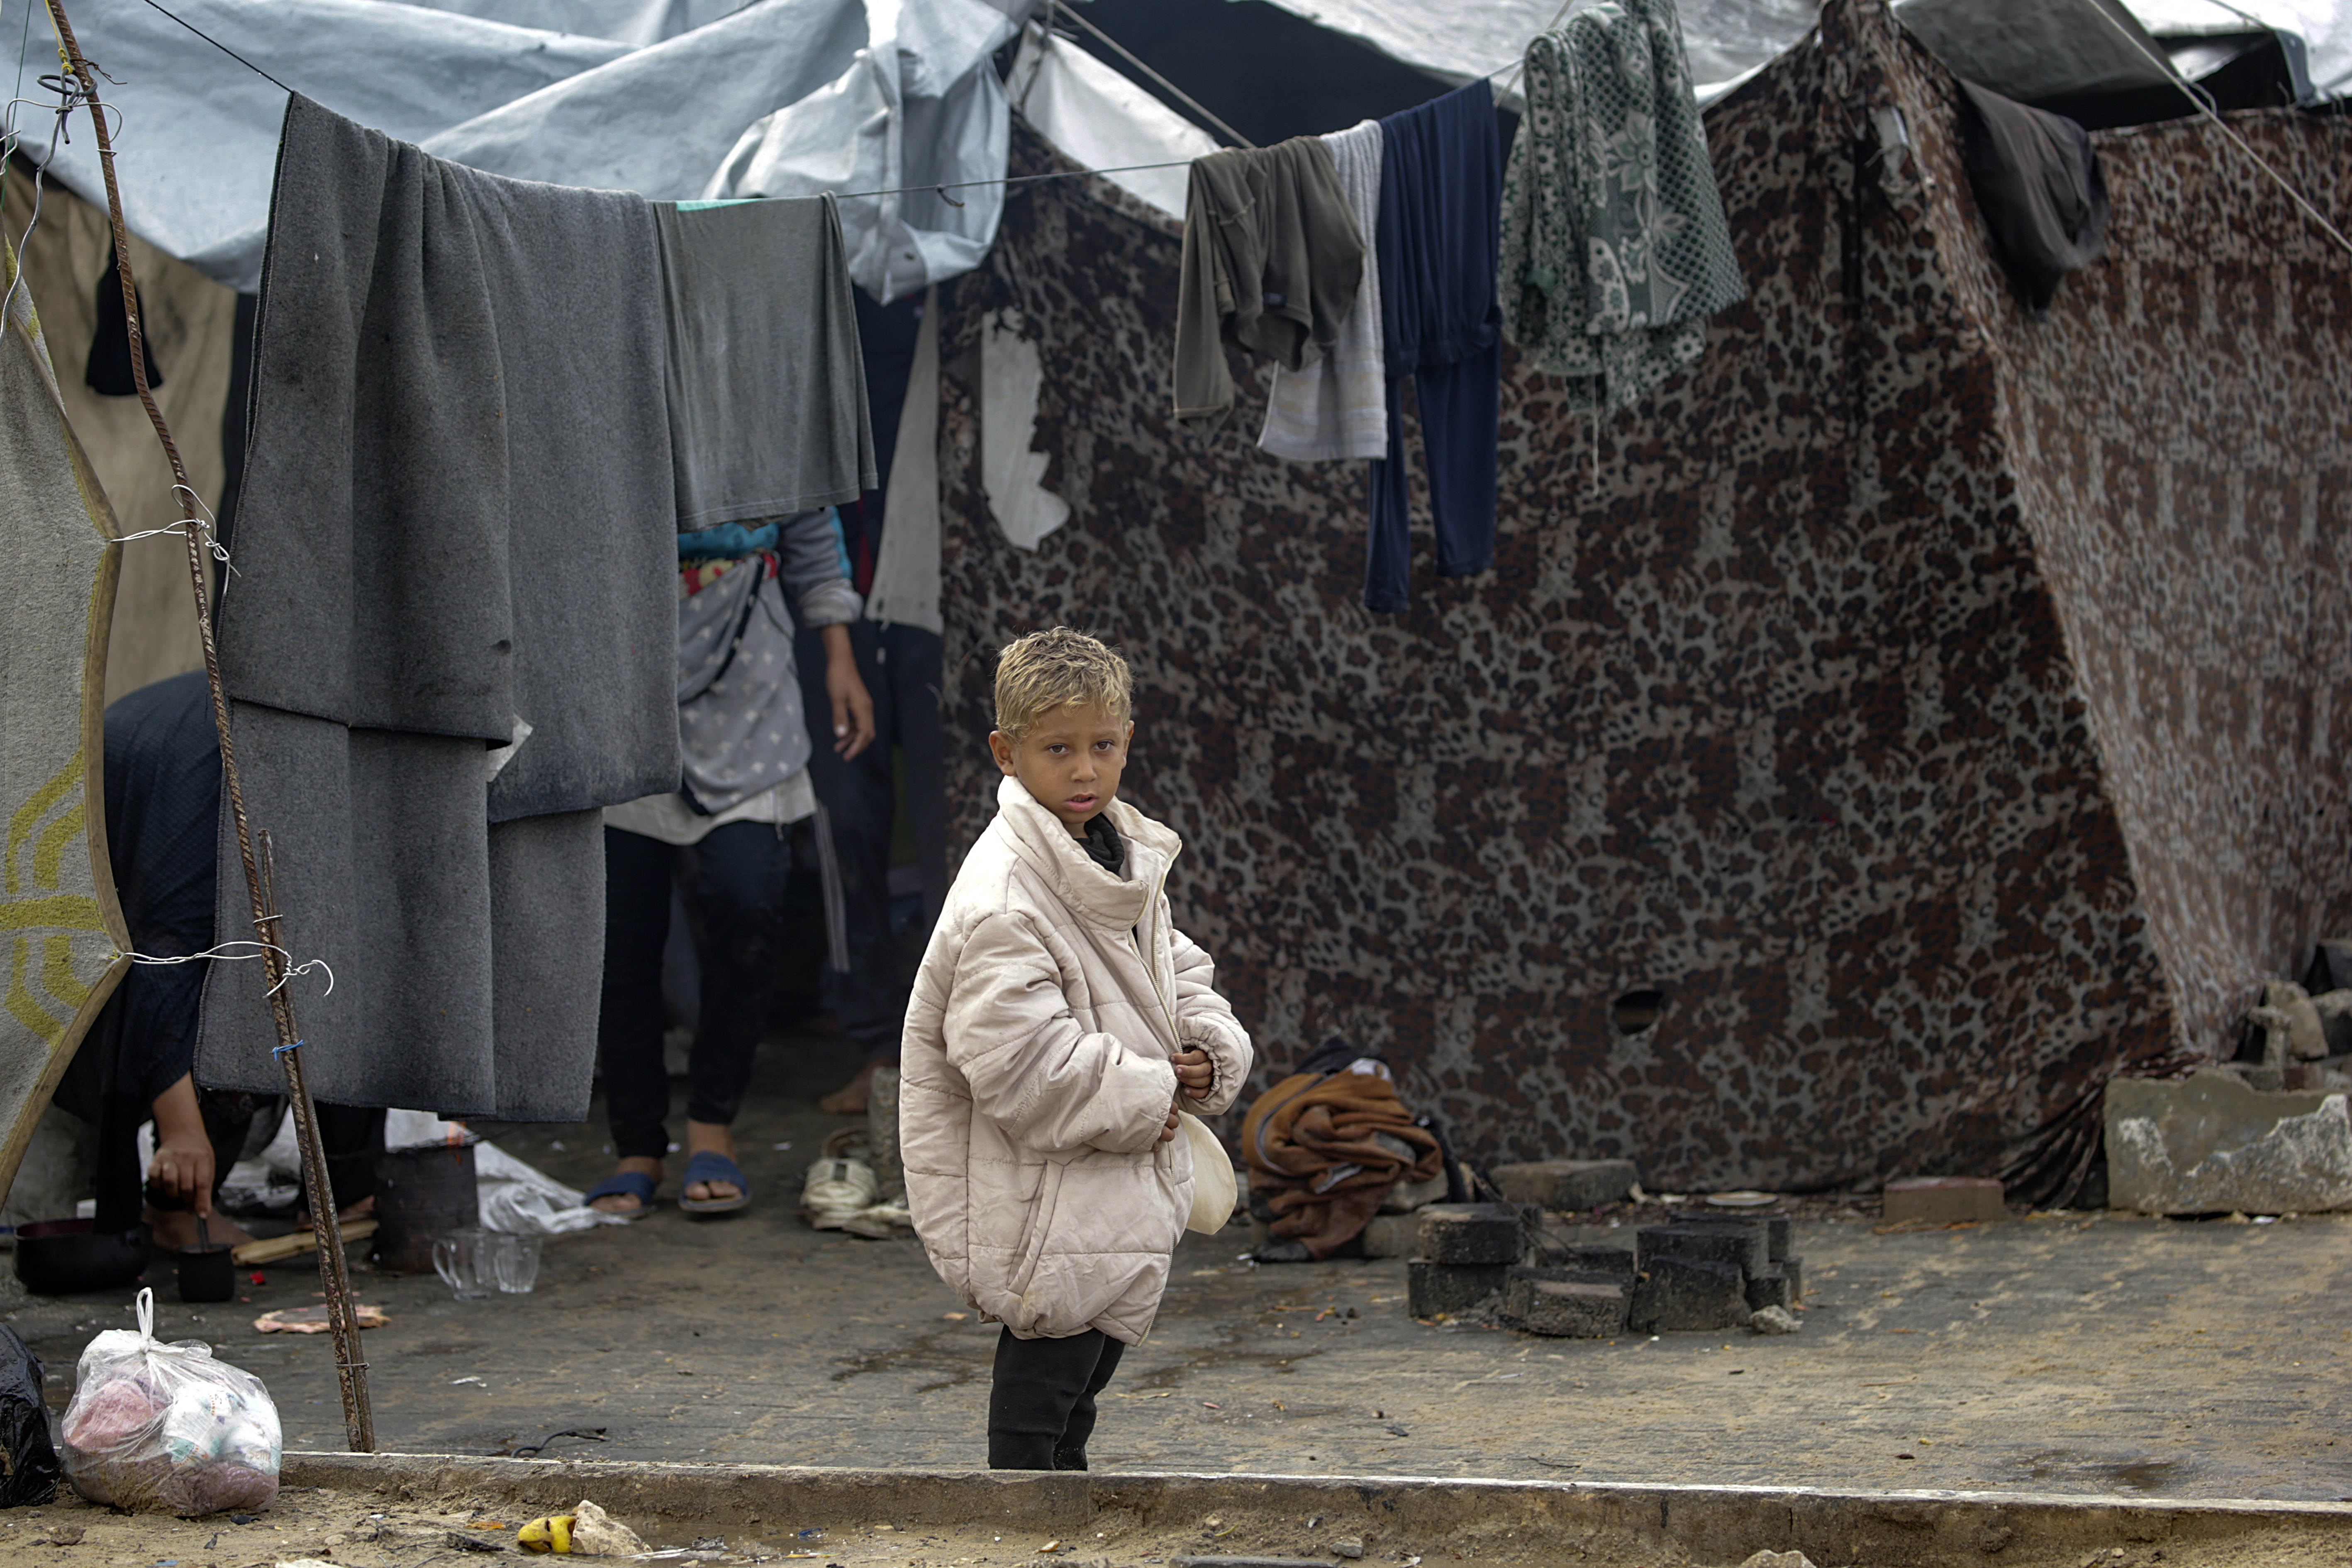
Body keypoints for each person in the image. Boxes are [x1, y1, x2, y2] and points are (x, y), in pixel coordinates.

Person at [899, 627, 1254, 1470]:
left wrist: (1205, 1045)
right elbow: (1018, 1062)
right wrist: (1149, 1091)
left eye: (1102, 745)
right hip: (1045, 1181)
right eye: (1058, 749)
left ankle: (1061, 1512)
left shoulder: (1117, 854)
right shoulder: (1006, 898)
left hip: (1109, 1163)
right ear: (1006, 753)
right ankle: (1022, 1523)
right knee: (1050, 1364)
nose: (1085, 770)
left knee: (1085, 1372)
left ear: (1129, 739)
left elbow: (1172, 967)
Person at [588, 509, 874, 1217]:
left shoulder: (760, 401)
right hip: (620, 659)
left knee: (749, 907)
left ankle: (713, 1123)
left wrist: (839, 654)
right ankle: (637, 1146)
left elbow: (810, 520)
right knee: (621, 939)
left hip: (750, 670)